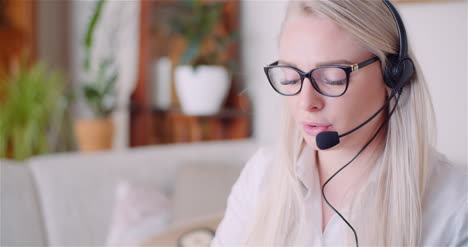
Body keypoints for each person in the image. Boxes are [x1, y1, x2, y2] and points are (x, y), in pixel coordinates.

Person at [211, 0, 467, 246]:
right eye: (290, 77)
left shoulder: (454, 203)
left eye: (332, 78)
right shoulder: (262, 174)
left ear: (393, 77)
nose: (306, 102)